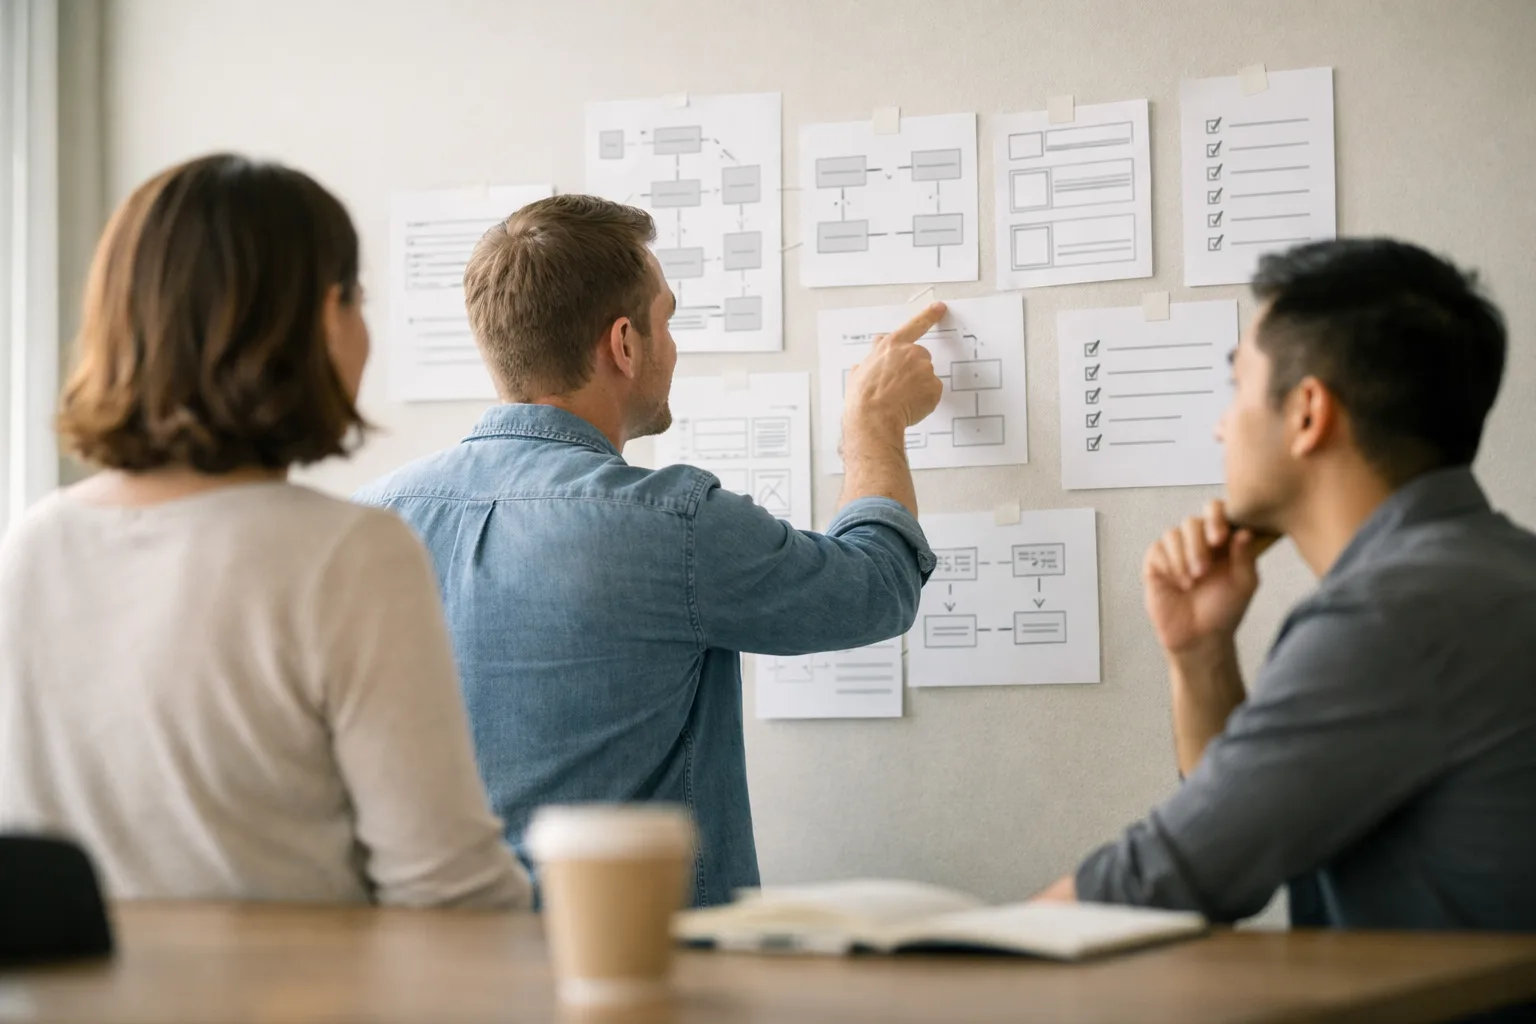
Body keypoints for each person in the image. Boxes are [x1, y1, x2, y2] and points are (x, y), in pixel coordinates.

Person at [355, 194, 943, 906]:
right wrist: (874, 422)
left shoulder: (371, 519)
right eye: (668, 318)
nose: (674, 344)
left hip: (420, 960)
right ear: (625, 344)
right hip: (633, 960)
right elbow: (875, 590)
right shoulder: (671, 524)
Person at [0, 154, 530, 908]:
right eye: (358, 300)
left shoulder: (34, 544)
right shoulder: (350, 556)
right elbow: (452, 893)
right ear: (325, 318)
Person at [1037, 238, 1536, 930]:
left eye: (1237, 385)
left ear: (1307, 413)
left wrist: (945, 951)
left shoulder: (1390, 617)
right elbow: (1237, 828)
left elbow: (1165, 881)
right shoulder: (1491, 571)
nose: (1222, 426)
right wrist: (1201, 652)